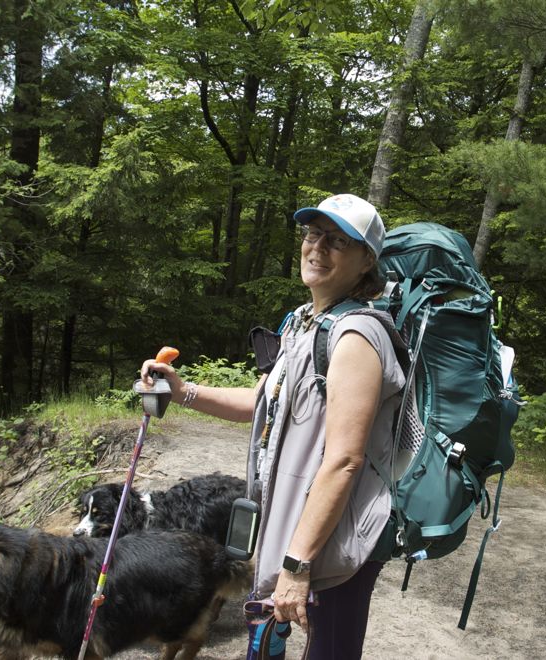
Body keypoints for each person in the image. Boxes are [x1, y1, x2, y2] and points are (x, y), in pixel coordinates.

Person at [140, 193, 405, 659]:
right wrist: (183, 392)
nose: (318, 247)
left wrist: (297, 566)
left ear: (366, 261)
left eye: (339, 241)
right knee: (265, 648)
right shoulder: (305, 323)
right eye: (312, 234)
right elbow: (263, 403)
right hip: (292, 525)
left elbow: (345, 460)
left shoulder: (359, 336)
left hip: (337, 537)